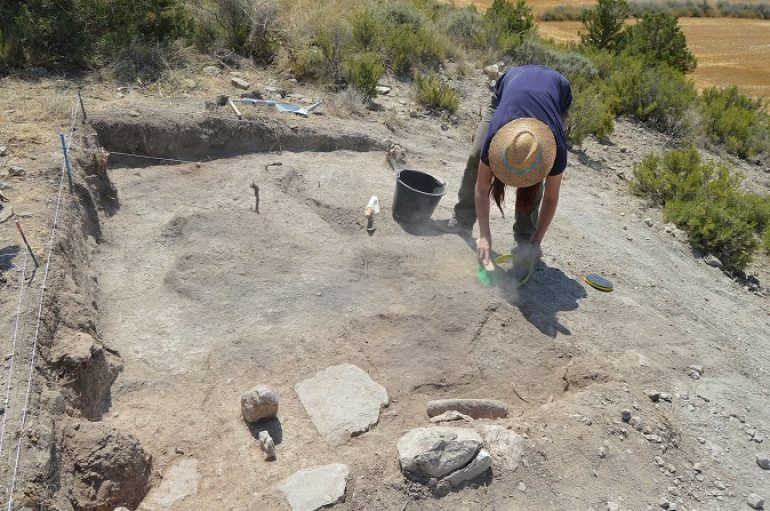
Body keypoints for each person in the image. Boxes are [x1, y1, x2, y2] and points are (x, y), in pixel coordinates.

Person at [445, 65, 572, 266]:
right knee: (476, 157)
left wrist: (537, 241)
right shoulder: (496, 134)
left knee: (534, 176)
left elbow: (551, 197)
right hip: (508, 91)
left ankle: (526, 240)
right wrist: (484, 235)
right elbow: (482, 187)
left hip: (556, 95)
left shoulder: (555, 146)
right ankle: (462, 220)